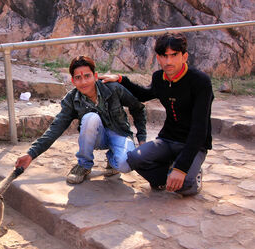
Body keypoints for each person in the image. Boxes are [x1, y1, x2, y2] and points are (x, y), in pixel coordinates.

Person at [101, 32, 214, 195]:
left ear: (184, 56)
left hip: (194, 144)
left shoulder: (200, 82)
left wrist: (181, 169)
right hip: (167, 139)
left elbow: (199, 129)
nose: (168, 61)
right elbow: (144, 94)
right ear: (158, 58)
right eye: (164, 56)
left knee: (185, 186)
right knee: (134, 159)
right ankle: (171, 173)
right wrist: (120, 79)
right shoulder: (159, 78)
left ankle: (190, 175)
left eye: (174, 55)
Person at [15, 55, 146, 184]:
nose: (83, 82)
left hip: (119, 133)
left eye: (87, 76)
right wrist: (31, 154)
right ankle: (84, 165)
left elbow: (138, 108)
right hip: (97, 137)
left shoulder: (113, 88)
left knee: (126, 165)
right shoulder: (72, 100)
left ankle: (112, 158)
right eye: (78, 78)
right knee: (90, 118)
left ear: (95, 76)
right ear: (73, 81)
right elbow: (55, 128)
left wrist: (142, 139)